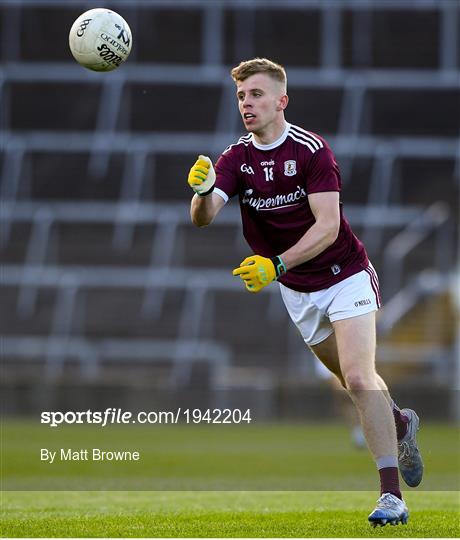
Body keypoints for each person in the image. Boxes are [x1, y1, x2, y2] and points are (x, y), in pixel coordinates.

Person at [186, 57, 423, 527]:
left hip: (344, 275)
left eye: (256, 95)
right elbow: (205, 215)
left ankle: (391, 498)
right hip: (298, 291)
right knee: (355, 385)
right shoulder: (236, 158)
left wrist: (274, 264)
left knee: (359, 378)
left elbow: (329, 226)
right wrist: (202, 190)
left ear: (281, 101)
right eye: (241, 96)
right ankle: (399, 423)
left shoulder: (312, 150)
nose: (246, 104)